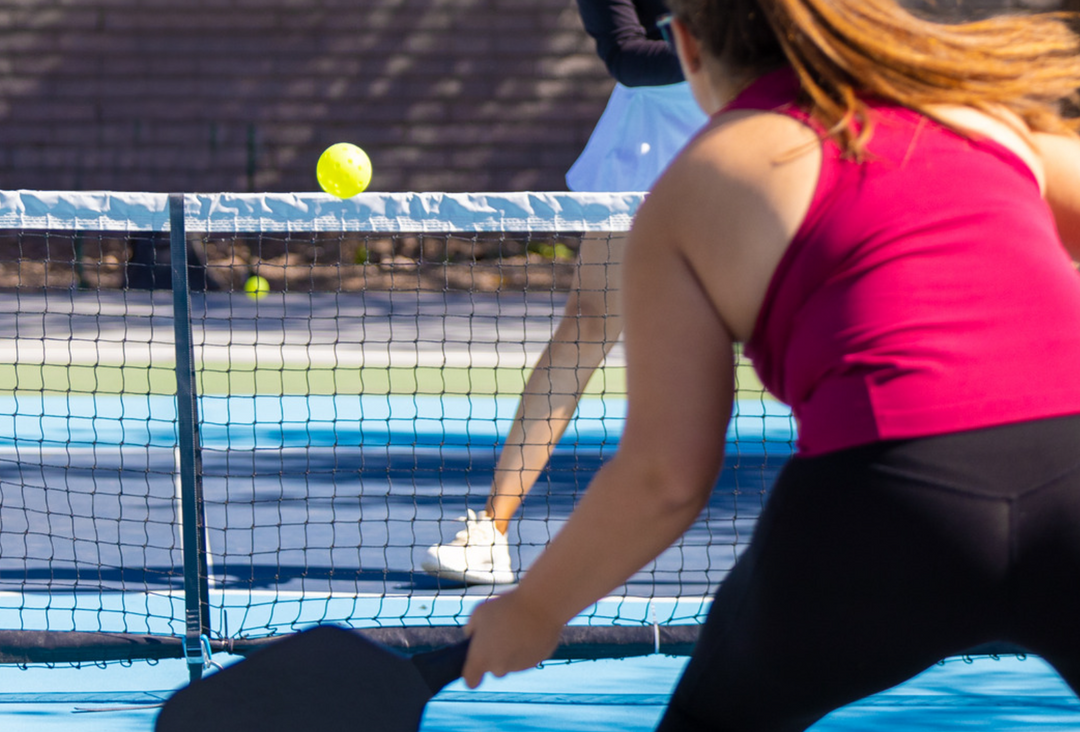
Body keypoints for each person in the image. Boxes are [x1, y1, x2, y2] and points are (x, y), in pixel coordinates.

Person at [461, 0, 1080, 727]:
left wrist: (534, 609)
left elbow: (665, 477)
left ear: (686, 45)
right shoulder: (986, 123)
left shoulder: (694, 188)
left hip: (884, 500)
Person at [421, 0, 707, 586]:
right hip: (647, 147)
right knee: (589, 325)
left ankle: (872, 519)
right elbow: (625, 54)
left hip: (752, 129)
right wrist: (736, 53)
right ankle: (491, 535)